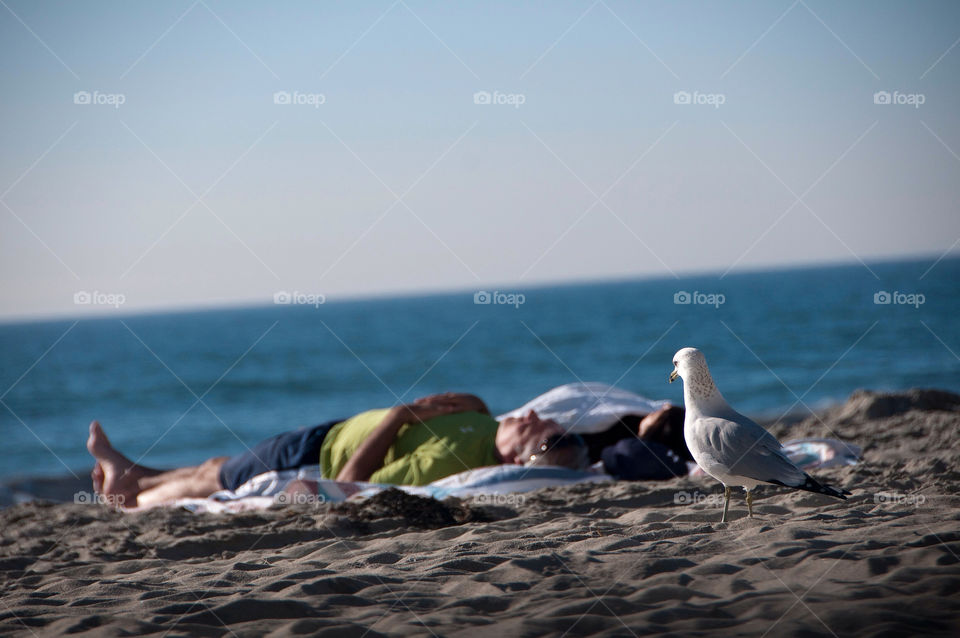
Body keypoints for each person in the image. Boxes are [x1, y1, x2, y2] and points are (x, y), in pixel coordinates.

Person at [87, 392, 575, 508]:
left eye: (532, 429)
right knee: (218, 465)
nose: (529, 415)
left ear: (515, 460)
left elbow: (356, 479)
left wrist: (398, 418)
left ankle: (131, 498)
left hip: (317, 456)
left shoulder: (454, 463)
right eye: (538, 414)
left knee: (216, 479)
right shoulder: (484, 421)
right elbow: (471, 405)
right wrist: (471, 403)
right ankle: (136, 473)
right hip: (330, 432)